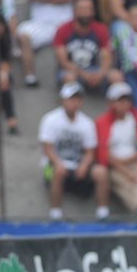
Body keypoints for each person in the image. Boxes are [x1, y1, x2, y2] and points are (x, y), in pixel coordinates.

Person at [38, 81, 110, 220]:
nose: (74, 102)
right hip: (54, 165)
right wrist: (58, 163)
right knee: (58, 171)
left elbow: (90, 151)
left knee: (101, 172)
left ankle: (103, 212)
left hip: (77, 165)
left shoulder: (87, 123)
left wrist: (84, 165)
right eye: (71, 99)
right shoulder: (50, 119)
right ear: (62, 100)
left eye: (78, 99)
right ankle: (55, 213)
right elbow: (47, 149)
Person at [94, 81, 137, 215]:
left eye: (127, 100)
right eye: (120, 100)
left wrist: (130, 160)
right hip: (115, 165)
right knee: (125, 182)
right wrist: (124, 169)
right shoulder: (102, 123)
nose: (124, 104)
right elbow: (104, 153)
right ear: (111, 103)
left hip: (135, 160)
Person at [54, 0, 114, 92]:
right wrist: (83, 74)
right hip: (71, 70)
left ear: (93, 12)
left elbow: (107, 57)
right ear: (74, 11)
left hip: (94, 69)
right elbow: (63, 61)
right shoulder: (63, 30)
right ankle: (71, 101)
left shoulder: (101, 29)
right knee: (69, 77)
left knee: (116, 76)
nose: (85, 13)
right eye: (82, 9)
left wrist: (100, 74)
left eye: (88, 9)